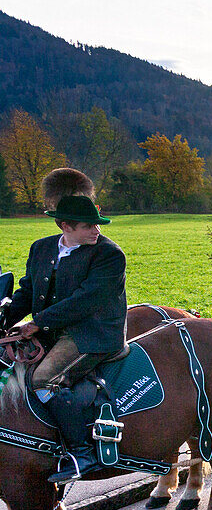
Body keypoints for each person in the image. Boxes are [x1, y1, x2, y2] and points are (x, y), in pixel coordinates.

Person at [3, 171, 127, 483]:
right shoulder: (42, 248)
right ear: (65, 226)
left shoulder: (110, 254)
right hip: (53, 331)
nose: (96, 230)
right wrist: (4, 321)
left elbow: (86, 302)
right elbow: (28, 292)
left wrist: (38, 323)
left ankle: (82, 454)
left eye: (98, 224)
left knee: (43, 380)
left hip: (94, 334)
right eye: (89, 225)